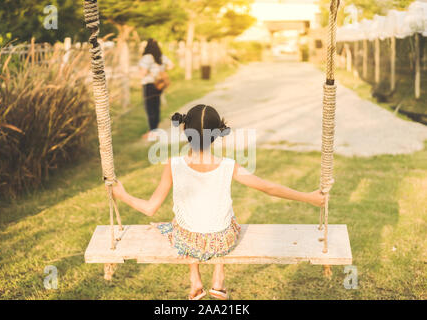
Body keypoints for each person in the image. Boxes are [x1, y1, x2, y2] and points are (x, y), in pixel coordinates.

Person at [111, 104, 327, 300]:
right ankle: (218, 278)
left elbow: (150, 209)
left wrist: (122, 194)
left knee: (183, 221)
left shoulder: (173, 164)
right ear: (217, 135)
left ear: (185, 131)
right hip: (222, 240)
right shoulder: (228, 165)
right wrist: (309, 197)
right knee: (224, 216)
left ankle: (195, 281)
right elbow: (268, 188)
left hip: (188, 240)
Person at [138, 38, 174, 140]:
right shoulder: (161, 56)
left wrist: (146, 73)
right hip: (159, 85)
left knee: (150, 109)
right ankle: (155, 130)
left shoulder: (147, 57)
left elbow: (143, 73)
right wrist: (162, 70)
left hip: (149, 85)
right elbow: (172, 65)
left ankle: (152, 133)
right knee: (156, 107)